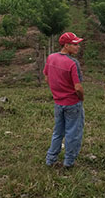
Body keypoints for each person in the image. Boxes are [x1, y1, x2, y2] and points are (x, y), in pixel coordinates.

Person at [43, 32, 85, 168]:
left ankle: (50, 159)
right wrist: (81, 98)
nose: (77, 47)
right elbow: (78, 87)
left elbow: (47, 78)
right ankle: (69, 162)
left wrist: (57, 92)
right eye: (75, 44)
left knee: (57, 132)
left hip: (58, 102)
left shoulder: (51, 58)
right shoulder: (73, 63)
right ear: (66, 45)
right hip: (72, 103)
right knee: (73, 133)